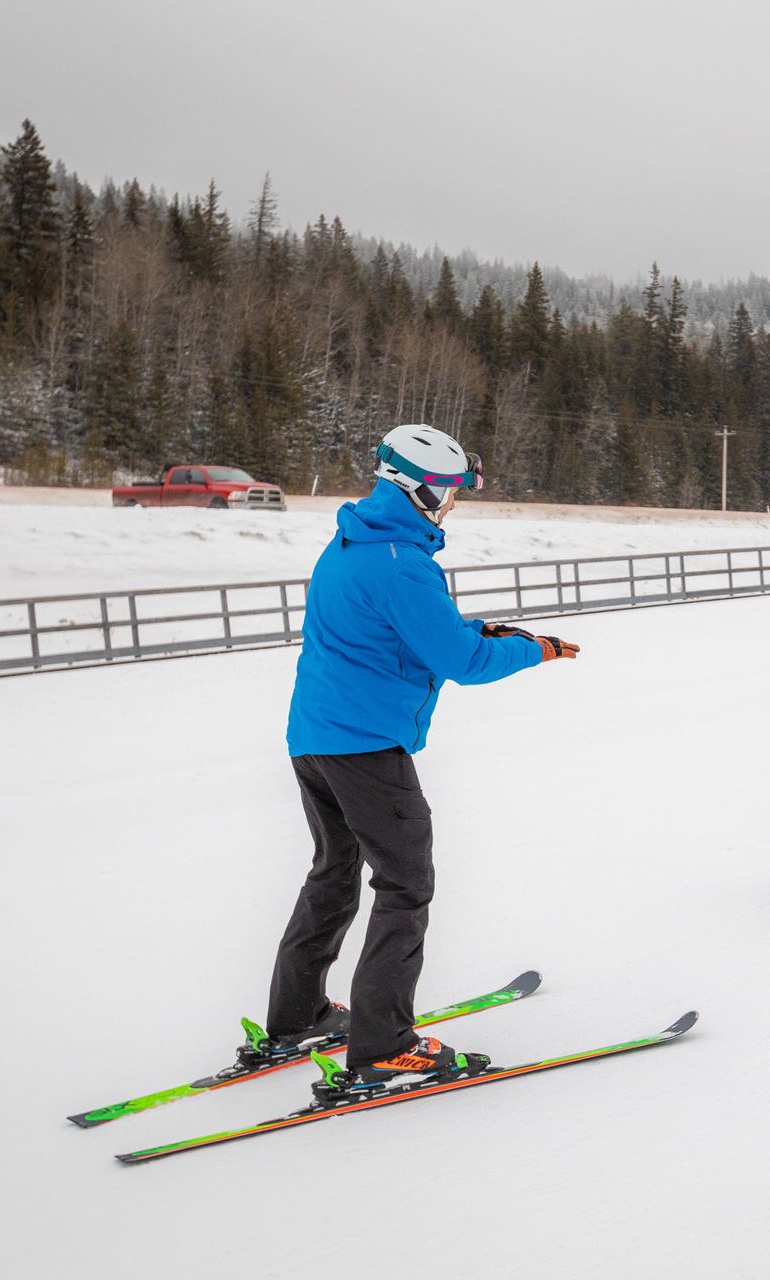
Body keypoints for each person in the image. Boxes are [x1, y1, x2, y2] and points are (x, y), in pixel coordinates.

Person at [262, 423, 579, 1095]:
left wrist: (477, 627)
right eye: (453, 489)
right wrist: (536, 648)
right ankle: (384, 1047)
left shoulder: (352, 544)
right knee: (405, 884)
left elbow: (407, 635)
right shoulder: (405, 563)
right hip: (367, 747)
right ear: (423, 489)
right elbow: (462, 663)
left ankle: (296, 1016)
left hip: (314, 741)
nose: (456, 502)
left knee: (333, 873)